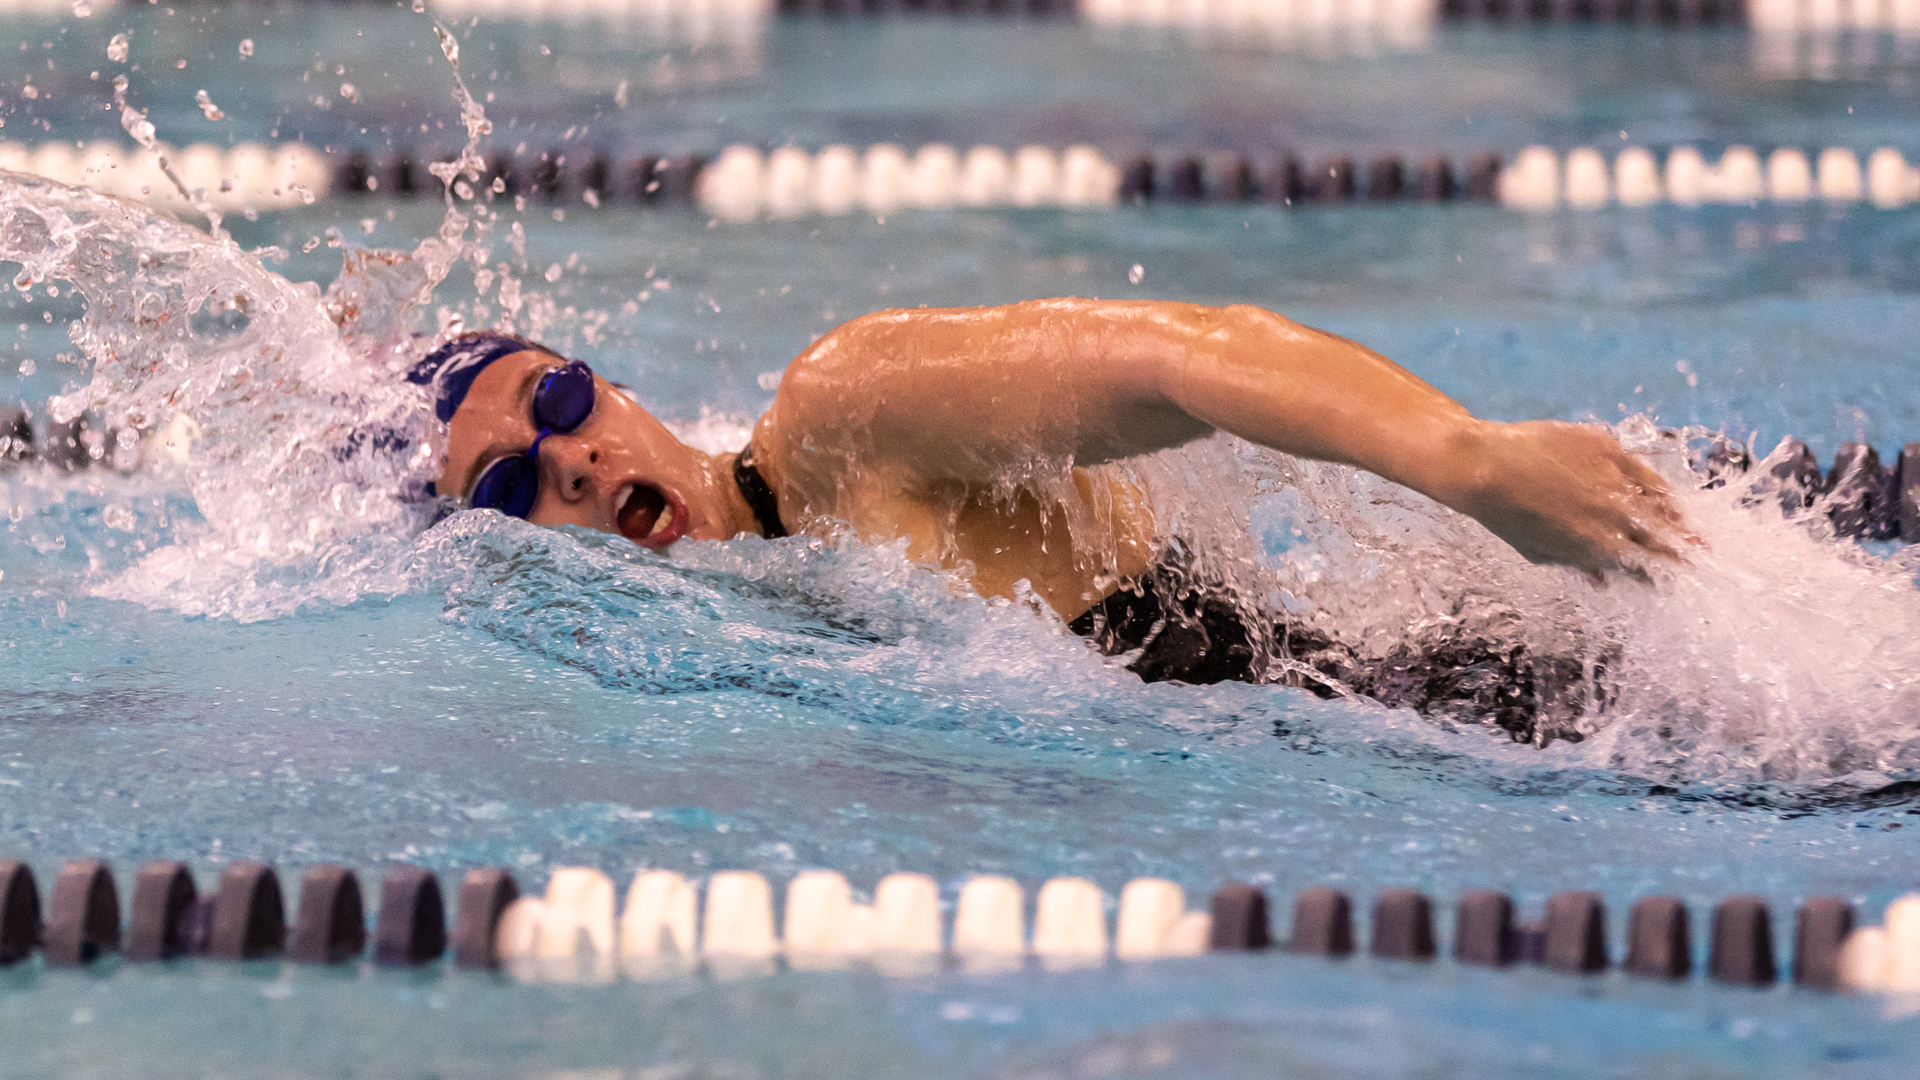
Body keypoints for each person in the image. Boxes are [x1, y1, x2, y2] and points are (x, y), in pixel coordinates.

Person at [411, 299, 1688, 741]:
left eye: (559, 399)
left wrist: (1473, 463)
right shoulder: (746, 627)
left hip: (1500, 709)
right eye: (509, 487)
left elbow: (1192, 357)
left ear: (616, 384)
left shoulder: (841, 416)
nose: (568, 464)